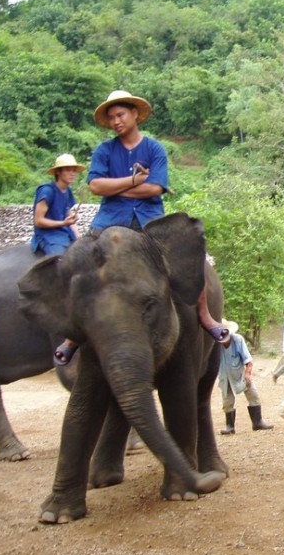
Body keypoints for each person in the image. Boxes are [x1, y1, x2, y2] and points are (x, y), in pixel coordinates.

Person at [53, 90, 227, 367]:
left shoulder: (155, 149)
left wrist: (118, 187)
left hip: (151, 221)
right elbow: (96, 186)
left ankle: (206, 316)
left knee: (193, 258)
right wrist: (134, 181)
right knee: (76, 262)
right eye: (111, 118)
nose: (116, 121)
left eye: (120, 115)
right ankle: (72, 335)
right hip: (109, 221)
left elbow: (156, 188)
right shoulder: (104, 150)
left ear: (135, 114)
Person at [216, 319, 274, 435]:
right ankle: (230, 426)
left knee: (253, 395)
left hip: (240, 374)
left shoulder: (237, 340)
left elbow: (248, 361)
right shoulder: (215, 345)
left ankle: (258, 422)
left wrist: (247, 374)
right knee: (227, 402)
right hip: (225, 377)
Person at [31, 153, 84, 256]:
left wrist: (79, 237)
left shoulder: (68, 190)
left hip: (64, 233)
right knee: (61, 263)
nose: (72, 173)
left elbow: (68, 213)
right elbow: (38, 221)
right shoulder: (47, 191)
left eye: (74, 170)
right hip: (48, 236)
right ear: (58, 172)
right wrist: (63, 223)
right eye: (68, 170)